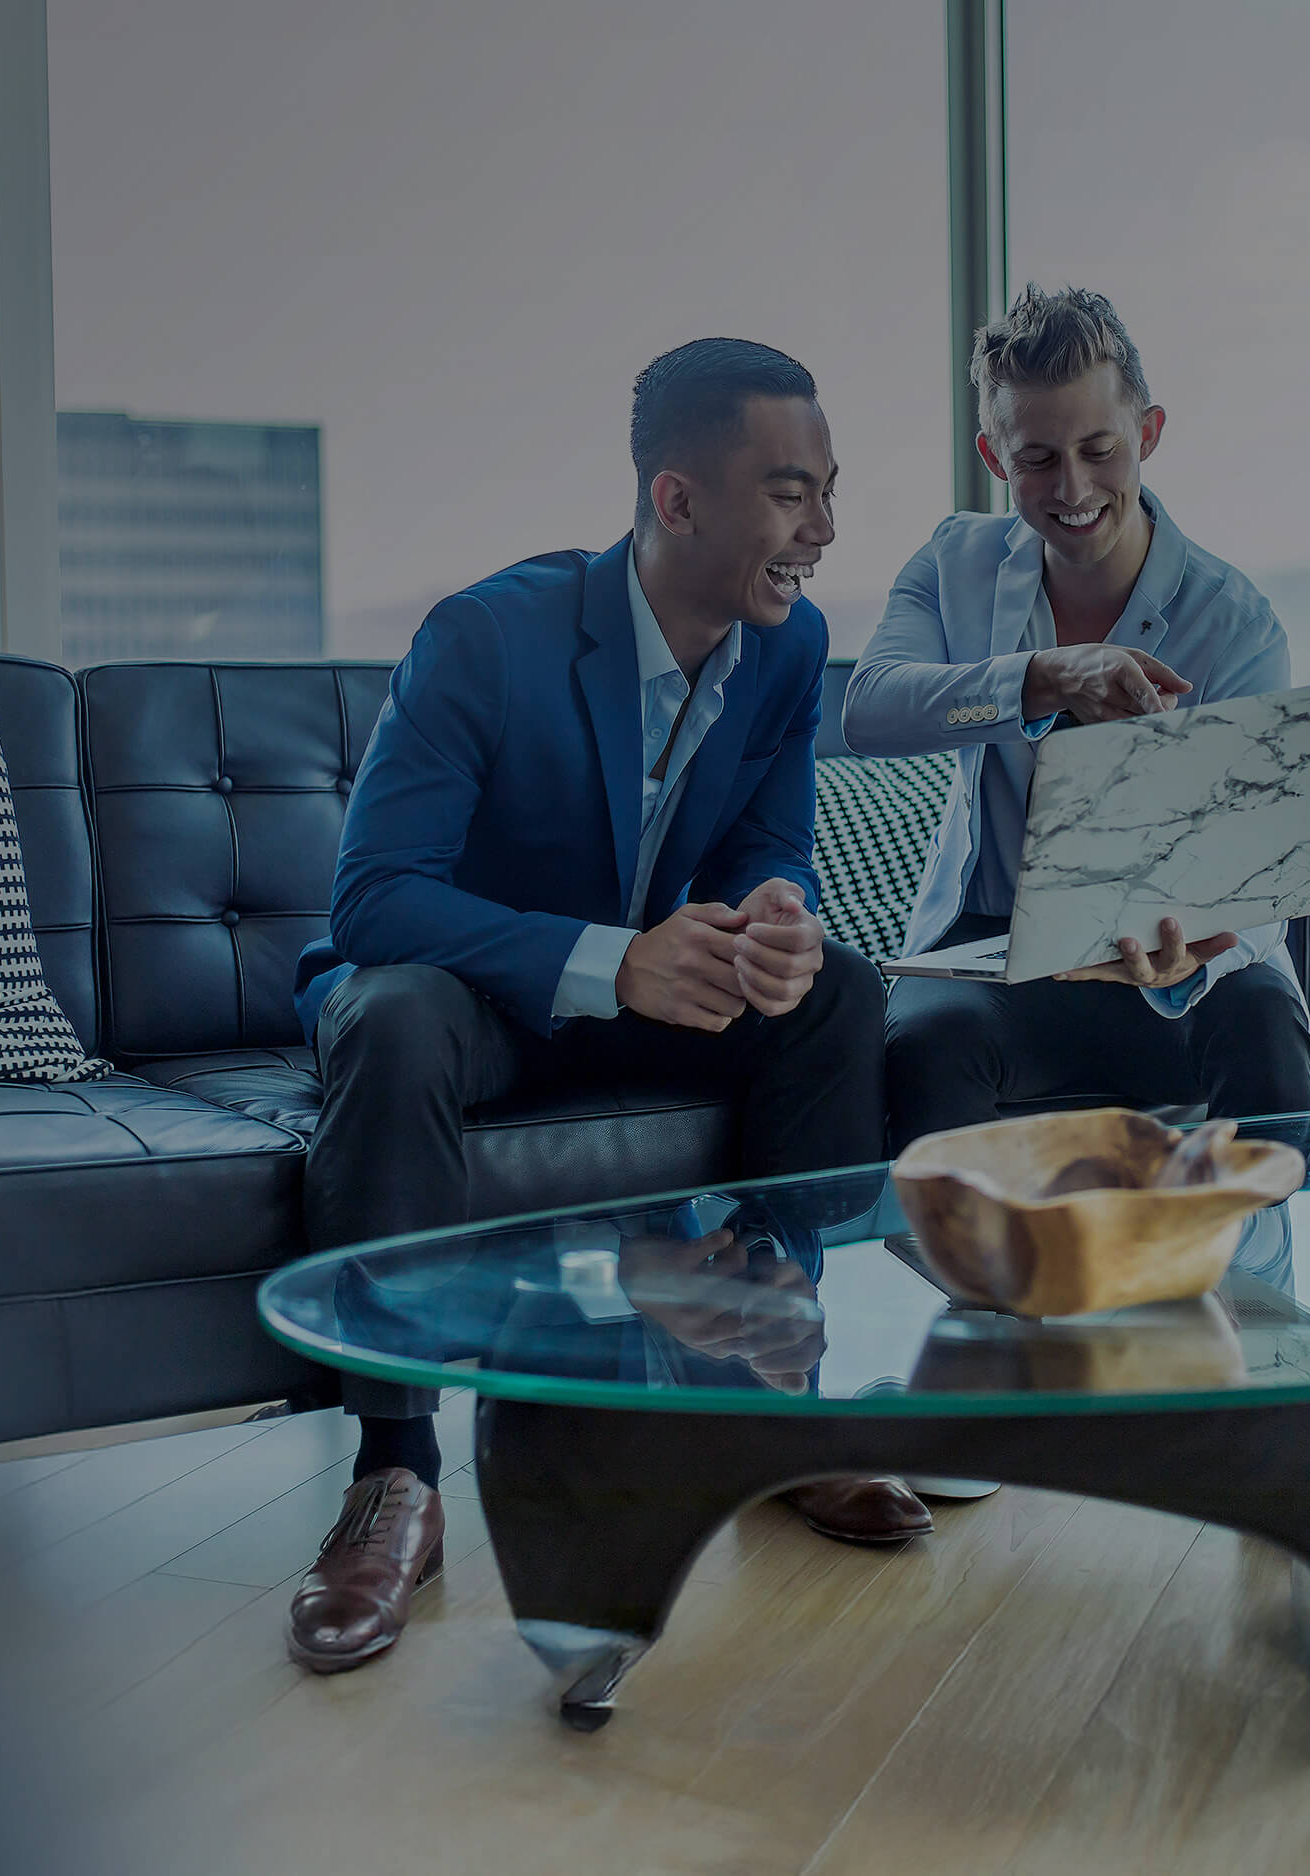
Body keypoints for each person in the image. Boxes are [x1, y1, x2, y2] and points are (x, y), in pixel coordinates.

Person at [278, 339, 897, 1677]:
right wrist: (606, 960)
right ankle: (396, 1479)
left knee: (841, 991)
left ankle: (767, 1388)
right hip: (476, 998)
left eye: (830, 490)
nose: (826, 530)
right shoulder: (484, 637)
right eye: (792, 493)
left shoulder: (792, 652)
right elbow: (377, 897)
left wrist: (780, 914)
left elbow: (767, 844)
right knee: (387, 1020)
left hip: (649, 988)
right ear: (677, 502)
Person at [844, 283, 1310, 1153]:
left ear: (1149, 433)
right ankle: (965, 1289)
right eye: (1037, 460)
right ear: (994, 457)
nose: (1074, 488)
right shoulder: (953, 565)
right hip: (992, 950)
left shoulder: (1235, 622)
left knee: (1261, 1020)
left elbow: (1258, 872)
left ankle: (1269, 1285)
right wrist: (1044, 678)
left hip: (1173, 954)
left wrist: (1197, 946)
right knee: (926, 1042)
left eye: (1100, 448)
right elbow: (870, 709)